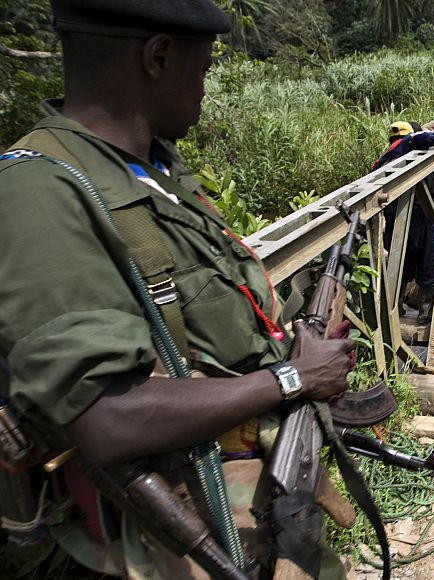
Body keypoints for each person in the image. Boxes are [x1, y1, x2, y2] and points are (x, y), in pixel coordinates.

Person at [0, 1, 354, 578]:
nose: (205, 88)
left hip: (256, 493)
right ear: (159, 57)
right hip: (174, 540)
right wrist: (290, 377)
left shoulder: (149, 169)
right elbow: (105, 418)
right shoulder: (39, 194)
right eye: (205, 68)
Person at [372, 119, 434, 323]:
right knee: (431, 259)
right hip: (420, 213)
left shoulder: (385, 157)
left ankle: (395, 308)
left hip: (394, 217)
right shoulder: (415, 139)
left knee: (401, 259)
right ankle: (425, 312)